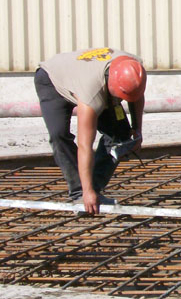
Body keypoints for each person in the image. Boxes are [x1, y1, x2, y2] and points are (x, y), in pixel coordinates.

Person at [34, 48, 147, 214]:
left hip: (86, 76)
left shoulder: (134, 69)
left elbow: (137, 96)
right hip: (52, 79)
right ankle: (81, 193)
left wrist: (137, 129)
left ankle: (93, 189)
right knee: (59, 135)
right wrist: (86, 192)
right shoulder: (91, 94)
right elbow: (84, 145)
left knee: (121, 135)